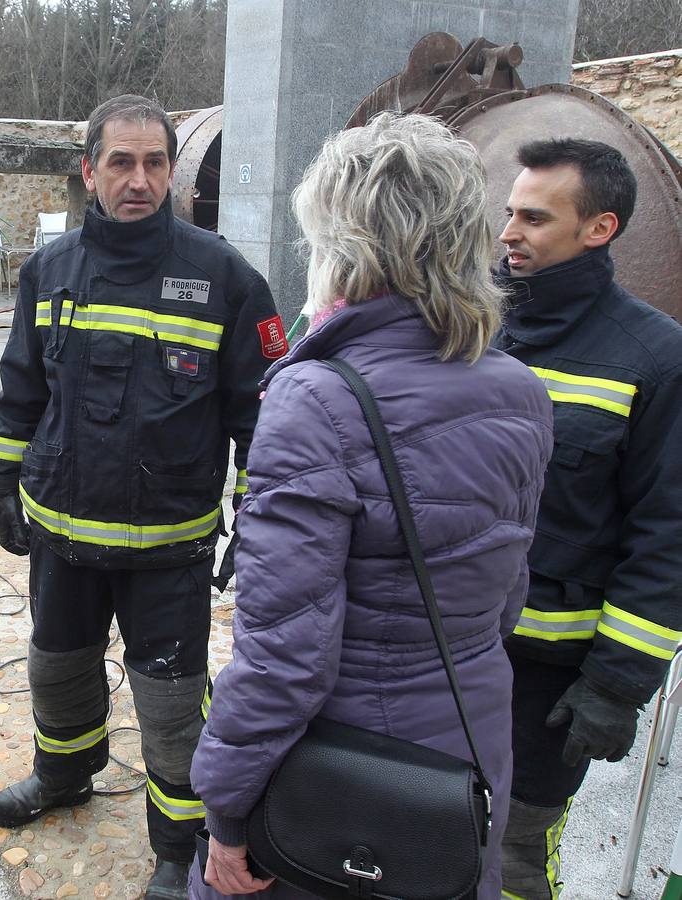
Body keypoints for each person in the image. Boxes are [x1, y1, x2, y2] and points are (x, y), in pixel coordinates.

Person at [188, 113, 552, 898]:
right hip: (464, 747)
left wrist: (224, 809)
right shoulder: (520, 390)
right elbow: (505, 598)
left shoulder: (317, 400)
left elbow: (286, 655)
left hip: (343, 775)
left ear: (345, 245)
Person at [0, 93, 280, 899]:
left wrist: (255, 517)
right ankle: (64, 774)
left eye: (155, 162)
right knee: (59, 672)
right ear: (89, 172)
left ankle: (176, 848)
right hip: (61, 538)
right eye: (121, 162)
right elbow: (20, 391)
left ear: (172, 172)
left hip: (168, 551)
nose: (139, 179)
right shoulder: (48, 269)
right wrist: (5, 482)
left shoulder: (224, 276)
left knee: (174, 709)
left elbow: (264, 416)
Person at [494, 138, 682, 900]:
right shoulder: (471, 326)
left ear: (599, 228)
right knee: (419, 829)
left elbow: (668, 536)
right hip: (439, 655)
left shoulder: (656, 358)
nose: (509, 232)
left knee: (511, 858)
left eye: (534, 218)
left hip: (551, 680)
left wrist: (616, 685)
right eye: (510, 213)